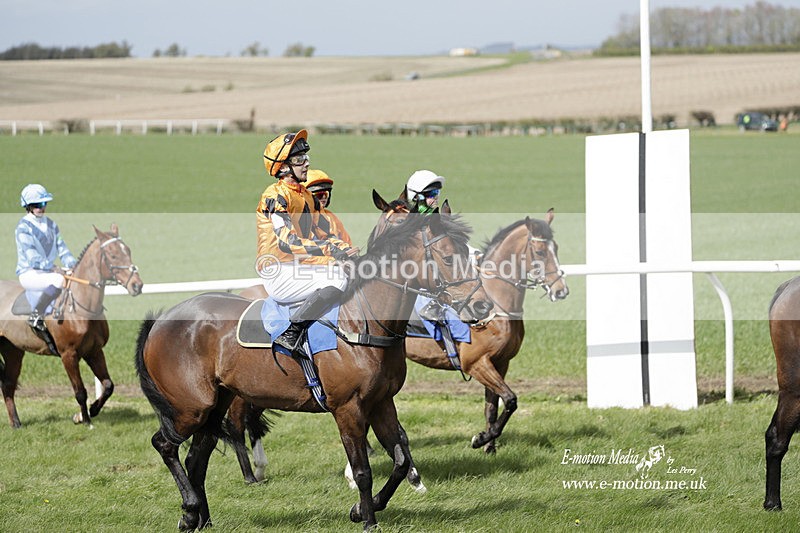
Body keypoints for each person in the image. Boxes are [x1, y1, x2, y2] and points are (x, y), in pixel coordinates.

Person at [257, 130, 357, 355]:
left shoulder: (306, 196)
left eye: (306, 158)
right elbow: (286, 241)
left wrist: (346, 251)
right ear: (283, 167)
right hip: (277, 269)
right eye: (299, 160)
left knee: (354, 272)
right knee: (338, 277)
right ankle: (292, 332)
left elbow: (325, 234)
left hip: (298, 266)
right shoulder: (274, 196)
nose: (306, 164)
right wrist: (331, 253)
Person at [15, 183, 77, 331]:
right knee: (59, 280)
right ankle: (36, 315)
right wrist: (54, 268)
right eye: (37, 205)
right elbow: (33, 258)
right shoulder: (23, 227)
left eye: (43, 203)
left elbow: (62, 249)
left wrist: (74, 265)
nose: (41, 208)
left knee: (72, 279)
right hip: (29, 272)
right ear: (28, 206)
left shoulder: (51, 225)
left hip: (47, 271)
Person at [305, 169, 352, 245]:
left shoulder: (331, 217)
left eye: (326, 194)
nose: (324, 197)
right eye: (319, 195)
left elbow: (347, 242)